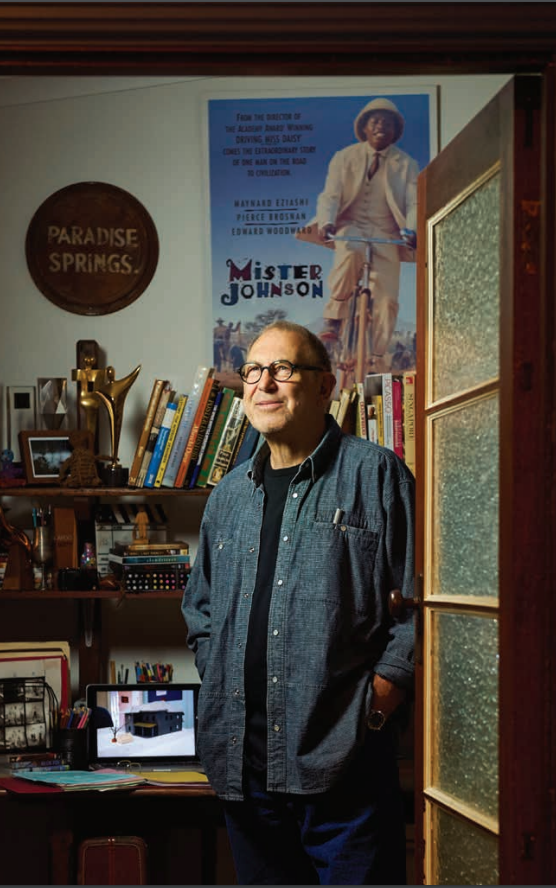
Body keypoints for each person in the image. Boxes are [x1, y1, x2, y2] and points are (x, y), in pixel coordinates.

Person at [182, 320, 415, 885]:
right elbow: (201, 611)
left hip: (344, 764)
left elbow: (421, 603)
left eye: (283, 370)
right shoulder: (228, 495)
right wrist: (217, 674)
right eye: (253, 372)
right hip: (243, 770)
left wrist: (377, 704)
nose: (264, 384)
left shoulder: (376, 474)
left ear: (324, 386)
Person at [310, 98, 419, 372]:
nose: (381, 125)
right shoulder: (345, 157)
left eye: (388, 122)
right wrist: (327, 222)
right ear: (364, 128)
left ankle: (377, 357)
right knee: (351, 248)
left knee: (387, 298)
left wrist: (411, 228)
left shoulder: (406, 164)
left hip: (388, 232)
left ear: (396, 131)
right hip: (352, 225)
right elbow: (330, 195)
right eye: (375, 121)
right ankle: (334, 318)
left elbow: (414, 201)